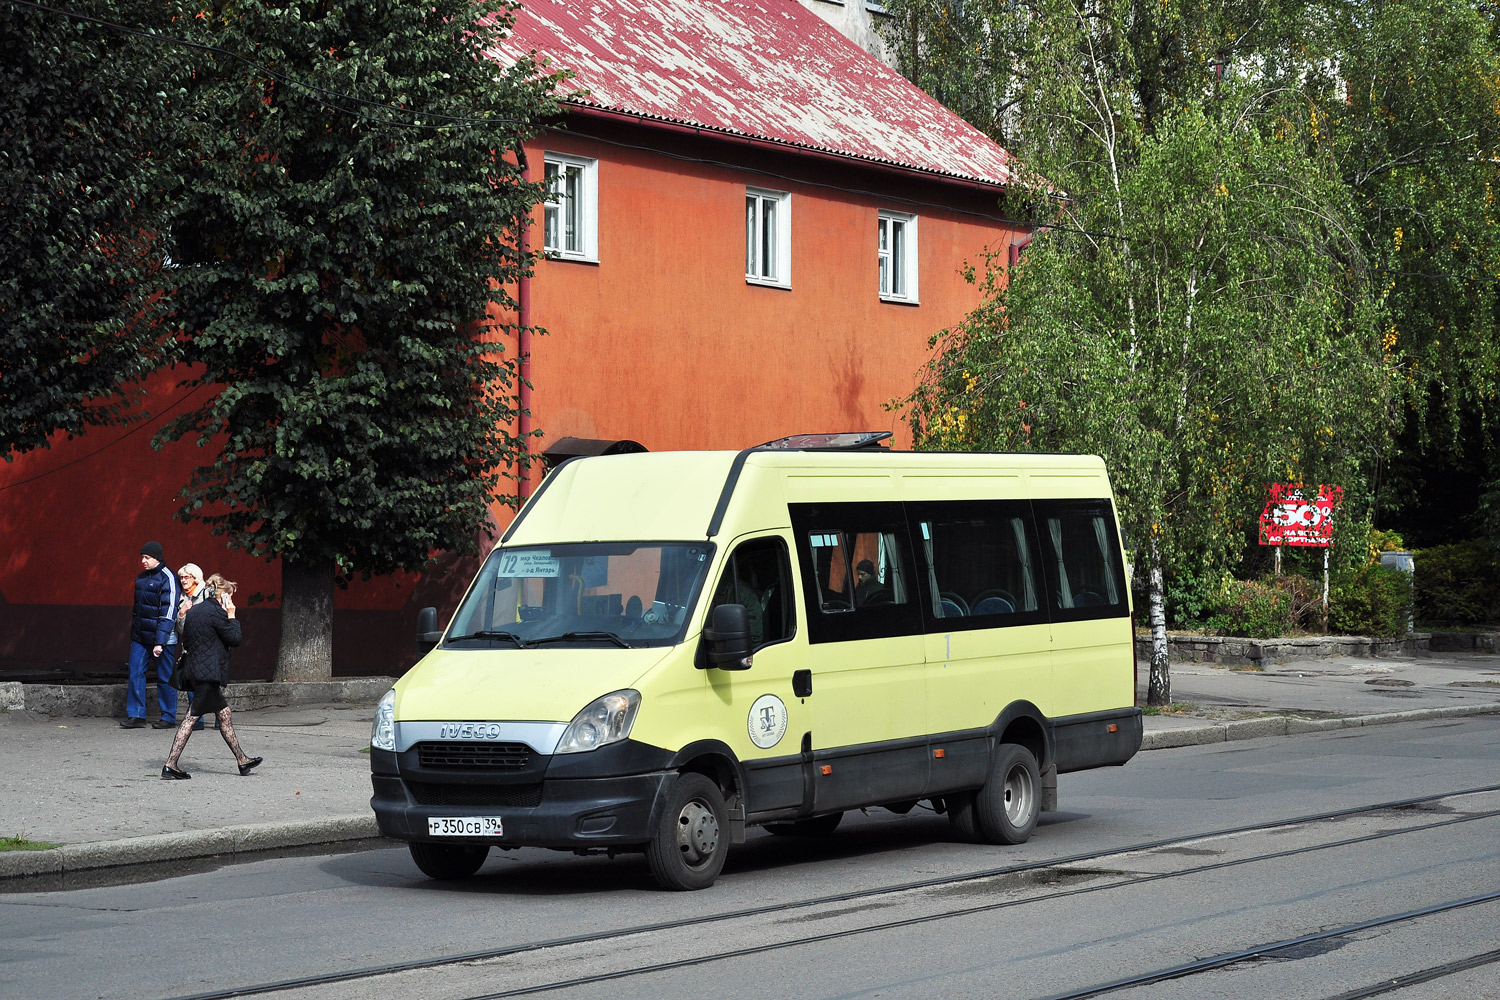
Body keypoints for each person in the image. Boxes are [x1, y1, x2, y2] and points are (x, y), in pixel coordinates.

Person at [161, 574, 262, 779]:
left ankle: (242, 760)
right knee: (191, 718)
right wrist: (232, 615)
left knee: (224, 714)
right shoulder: (218, 613)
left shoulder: (195, 611)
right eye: (230, 597)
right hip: (208, 674)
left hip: (197, 671)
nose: (231, 601)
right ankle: (170, 764)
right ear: (223, 596)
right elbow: (235, 638)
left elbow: (187, 642)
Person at [121, 541, 181, 729]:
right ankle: (136, 715)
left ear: (157, 557)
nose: (143, 561)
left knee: (165, 677)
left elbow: (169, 611)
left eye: (147, 557)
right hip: (140, 637)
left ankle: (169, 716)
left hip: (161, 638)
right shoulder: (141, 579)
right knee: (135, 673)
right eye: (142, 557)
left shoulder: (168, 578)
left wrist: (160, 641)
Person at [177, 563, 211, 730]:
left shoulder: (207, 593)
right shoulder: (183, 597)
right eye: (181, 577)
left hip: (208, 645)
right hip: (190, 647)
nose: (183, 580)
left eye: (186, 577)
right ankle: (197, 719)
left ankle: (221, 716)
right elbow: (181, 629)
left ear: (195, 578)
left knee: (210, 682)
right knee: (191, 680)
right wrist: (182, 613)